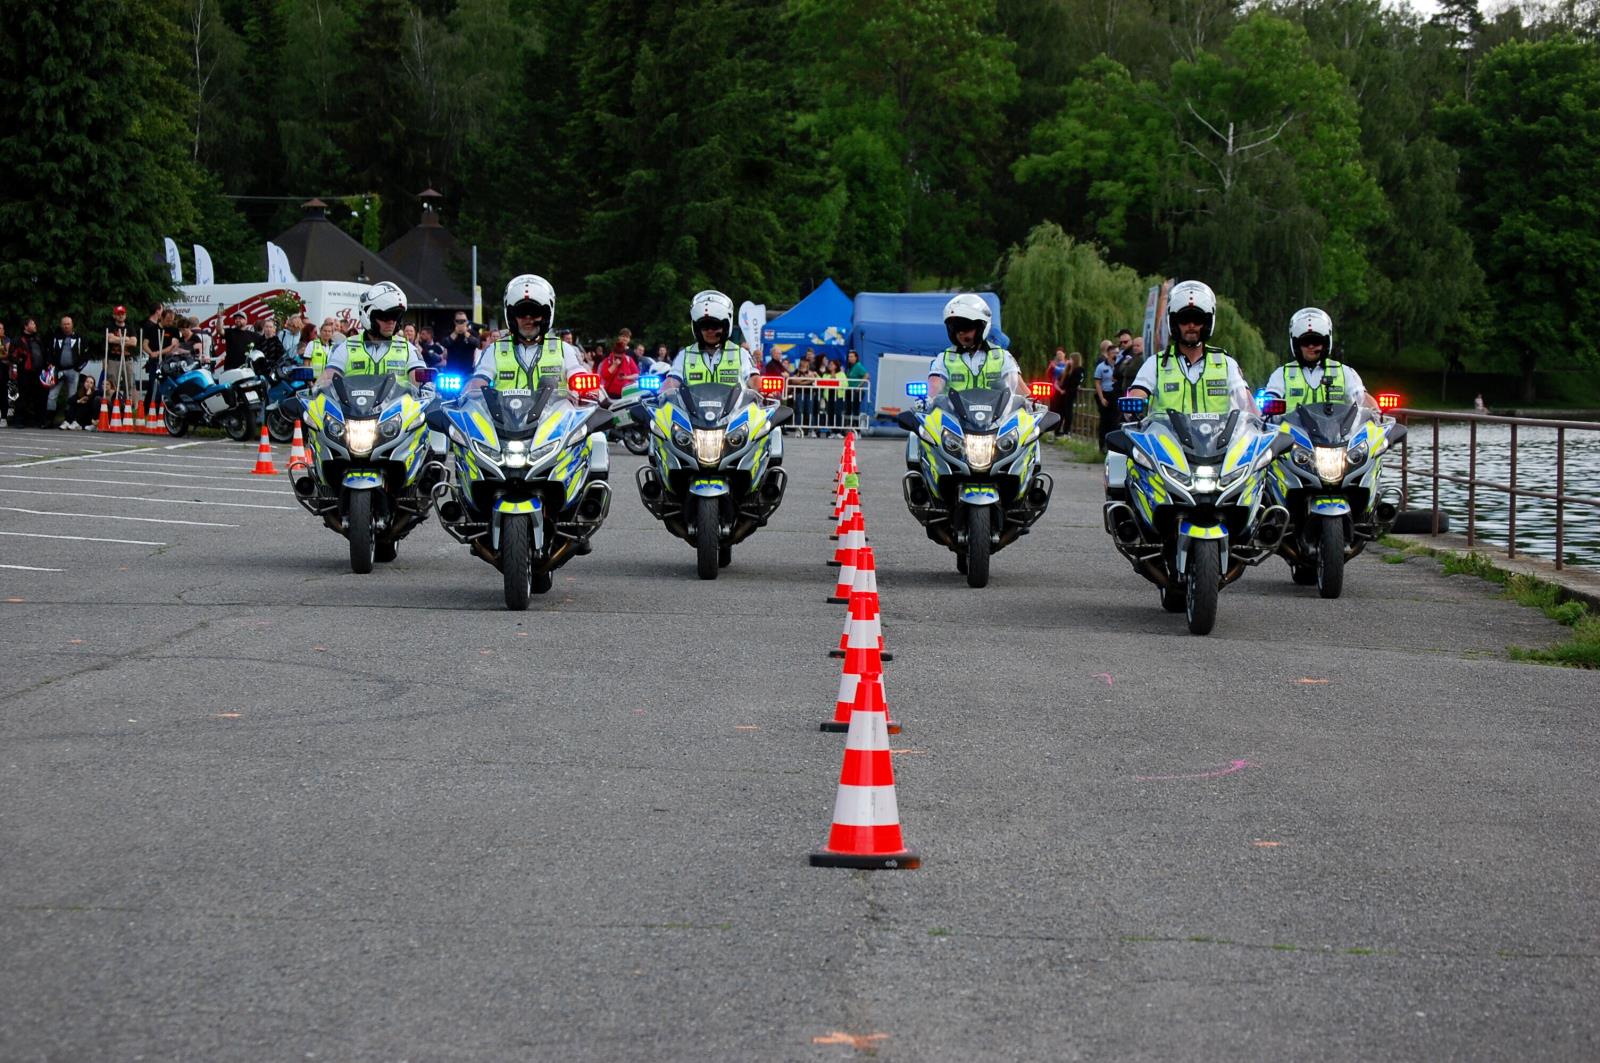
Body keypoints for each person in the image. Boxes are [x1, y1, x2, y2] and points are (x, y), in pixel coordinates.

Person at [1125, 280, 1254, 416]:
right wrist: (1131, 405)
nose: (1191, 325)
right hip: (1166, 436)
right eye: (1185, 319)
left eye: (1197, 319)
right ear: (1174, 323)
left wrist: (1262, 425)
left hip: (1219, 436)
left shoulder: (1225, 363)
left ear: (1207, 323)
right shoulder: (1156, 363)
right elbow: (1135, 396)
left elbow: (1246, 403)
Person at [467, 274, 585, 393]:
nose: (528, 318)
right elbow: (480, 377)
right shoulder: (494, 350)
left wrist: (583, 383)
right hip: (503, 411)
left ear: (546, 316)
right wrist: (474, 388)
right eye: (521, 312)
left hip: (556, 411)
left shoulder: (564, 349)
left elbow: (577, 372)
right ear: (512, 316)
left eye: (535, 312)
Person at [1262, 307, 1374, 413]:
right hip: (1291, 432)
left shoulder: (1345, 372)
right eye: (1305, 342)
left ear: (1325, 343)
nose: (1311, 346)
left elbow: (1362, 398)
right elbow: (1270, 400)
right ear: (1297, 345)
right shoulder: (1282, 373)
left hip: (1337, 432)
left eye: (1316, 341)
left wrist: (1377, 413)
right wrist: (1268, 405)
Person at [317, 281, 428, 387]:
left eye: (396, 316)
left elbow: (421, 383)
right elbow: (327, 378)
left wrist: (426, 386)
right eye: (385, 316)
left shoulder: (407, 349)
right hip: (354, 406)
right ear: (368, 316)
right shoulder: (347, 347)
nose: (392, 321)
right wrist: (316, 389)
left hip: (397, 407)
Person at [925, 293, 1022, 401]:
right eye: (955, 327)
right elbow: (935, 384)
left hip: (996, 417)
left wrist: (1032, 402)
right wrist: (928, 400)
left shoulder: (1002, 357)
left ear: (982, 326)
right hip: (954, 416)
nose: (960, 332)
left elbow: (1019, 388)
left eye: (965, 326)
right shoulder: (944, 359)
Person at [663, 290, 755, 392]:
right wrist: (663, 392)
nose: (710, 331)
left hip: (735, 407)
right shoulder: (685, 355)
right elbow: (672, 380)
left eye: (715, 325)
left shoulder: (740, 353)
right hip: (691, 408)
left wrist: (762, 389)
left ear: (725, 327)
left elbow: (753, 379)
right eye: (705, 326)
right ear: (697, 329)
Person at [47, 316, 88, 427]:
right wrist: (52, 367)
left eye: (68, 324)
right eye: (64, 324)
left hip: (73, 370)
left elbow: (85, 355)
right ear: (61, 325)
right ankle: (49, 420)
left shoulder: (79, 338)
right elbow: (50, 353)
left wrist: (78, 369)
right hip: (58, 370)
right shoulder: (55, 338)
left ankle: (69, 419)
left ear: (72, 325)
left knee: (72, 396)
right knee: (52, 395)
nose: (66, 326)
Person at [8, 318, 46, 427]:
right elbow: (12, 355)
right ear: (26, 326)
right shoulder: (18, 340)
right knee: (23, 397)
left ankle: (40, 421)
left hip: (38, 372)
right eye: (32, 323)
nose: (35, 325)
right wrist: (19, 360)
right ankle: (19, 420)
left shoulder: (38, 339)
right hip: (25, 372)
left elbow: (42, 353)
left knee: (39, 397)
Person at [1093, 340, 1119, 449]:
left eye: (1118, 353)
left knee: (1115, 420)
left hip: (1115, 395)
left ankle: (1112, 446)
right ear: (1108, 354)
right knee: (1104, 420)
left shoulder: (1120, 366)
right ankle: (1102, 445)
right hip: (1105, 394)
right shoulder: (1101, 367)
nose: (1116, 355)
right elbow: (1098, 383)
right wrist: (1102, 398)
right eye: (1114, 353)